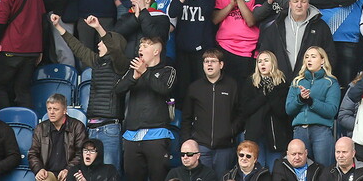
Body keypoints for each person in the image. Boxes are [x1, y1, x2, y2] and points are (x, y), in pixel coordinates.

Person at [50, 14, 127, 170]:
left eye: (103, 41)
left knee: (110, 173)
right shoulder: (96, 61)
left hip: (110, 128)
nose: (99, 43)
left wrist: (98, 27)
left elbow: (114, 48)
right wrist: (58, 26)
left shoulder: (120, 64)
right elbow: (77, 47)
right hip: (92, 128)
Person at [115, 36, 176, 181]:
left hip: (157, 133)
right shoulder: (133, 71)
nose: (140, 48)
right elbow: (117, 90)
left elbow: (164, 89)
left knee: (158, 177)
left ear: (156, 51)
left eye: (145, 46)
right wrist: (134, 77)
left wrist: (146, 72)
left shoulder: (168, 70)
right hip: (132, 134)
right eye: (140, 45)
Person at [182, 49, 241, 178]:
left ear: (221, 64)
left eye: (213, 61)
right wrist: (189, 140)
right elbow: (186, 117)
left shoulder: (232, 85)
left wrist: (231, 131)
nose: (209, 64)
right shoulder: (194, 87)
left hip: (225, 148)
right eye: (206, 61)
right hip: (201, 146)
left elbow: (240, 114)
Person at [286, 47, 340, 167]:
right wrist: (300, 99)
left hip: (321, 131)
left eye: (313, 56)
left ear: (322, 60)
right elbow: (289, 109)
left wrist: (311, 101)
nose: (309, 59)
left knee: (323, 170)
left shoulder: (331, 82)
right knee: (300, 170)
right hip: (299, 130)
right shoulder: (297, 82)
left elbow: (332, 110)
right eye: (306, 57)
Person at [239, 51, 290, 170]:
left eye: (266, 60)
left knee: (275, 171)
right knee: (257, 171)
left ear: (273, 63)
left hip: (276, 136)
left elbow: (281, 111)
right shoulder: (250, 82)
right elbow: (245, 109)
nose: (262, 64)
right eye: (259, 61)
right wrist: (263, 96)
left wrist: (271, 92)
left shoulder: (281, 83)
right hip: (255, 136)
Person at [213, 0, 260, 81]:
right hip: (223, 46)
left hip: (246, 49)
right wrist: (230, 5)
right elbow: (215, 20)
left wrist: (239, 0)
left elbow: (251, 21)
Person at [28, 93, 88, 181]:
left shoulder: (77, 126)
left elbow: (81, 154)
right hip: (49, 172)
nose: (51, 112)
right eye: (49, 109)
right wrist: (39, 169)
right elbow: (33, 153)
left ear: (64, 110)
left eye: (55, 109)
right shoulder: (40, 128)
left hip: (70, 172)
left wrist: (68, 169)